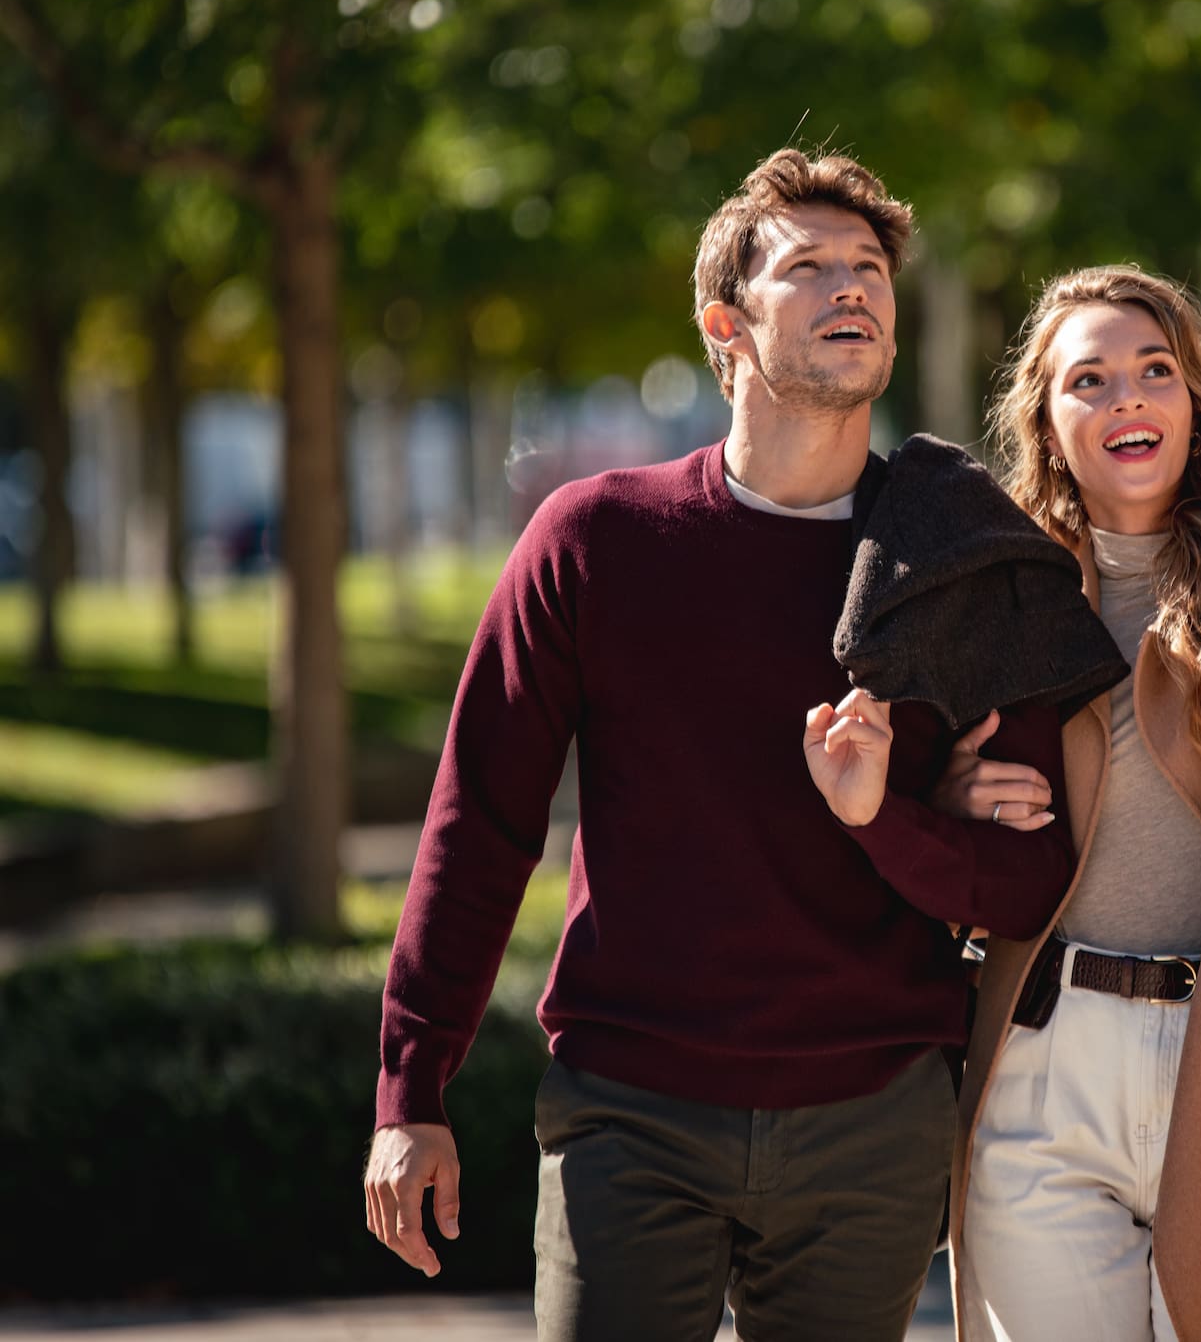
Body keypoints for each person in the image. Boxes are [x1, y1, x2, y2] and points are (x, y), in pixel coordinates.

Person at [363, 149, 1085, 1342]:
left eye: (867, 269)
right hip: (630, 1113)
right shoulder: (594, 542)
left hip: (874, 1118)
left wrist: (891, 818)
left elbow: (1025, 884)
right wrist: (409, 1088)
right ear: (724, 326)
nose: (851, 287)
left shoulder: (958, 563)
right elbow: (477, 824)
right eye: (807, 268)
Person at [811, 215, 1201, 1340]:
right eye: (1086, 381)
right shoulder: (998, 597)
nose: (1126, 398)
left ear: (1194, 403)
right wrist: (947, 801)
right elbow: (961, 843)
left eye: (1154, 371)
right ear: (1049, 428)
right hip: (1049, 1065)